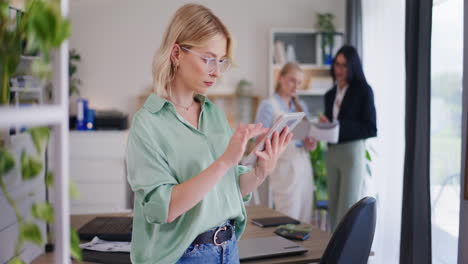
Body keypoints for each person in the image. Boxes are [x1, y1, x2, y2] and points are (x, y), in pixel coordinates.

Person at [126, 4, 292, 264]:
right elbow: (164, 208)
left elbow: (230, 186)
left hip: (228, 249)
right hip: (184, 257)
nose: (216, 71)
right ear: (177, 53)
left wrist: (261, 171)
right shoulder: (147, 124)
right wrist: (225, 160)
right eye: (208, 59)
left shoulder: (212, 113)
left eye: (222, 61)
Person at [320, 45, 377, 231]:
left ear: (353, 67)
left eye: (344, 65)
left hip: (352, 153)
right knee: (334, 207)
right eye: (337, 64)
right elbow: (332, 126)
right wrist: (325, 125)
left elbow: (370, 128)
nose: (339, 70)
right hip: (332, 152)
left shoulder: (363, 91)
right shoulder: (329, 95)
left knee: (347, 208)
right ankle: (334, 252)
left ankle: (346, 254)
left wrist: (338, 126)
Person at [255, 62, 317, 224]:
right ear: (280, 78)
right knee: (288, 216)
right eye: (292, 80)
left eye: (299, 82)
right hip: (284, 167)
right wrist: (277, 135)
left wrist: (310, 143)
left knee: (304, 216)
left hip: (303, 164)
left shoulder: (301, 106)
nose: (295, 86)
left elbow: (306, 140)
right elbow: (259, 141)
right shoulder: (268, 105)